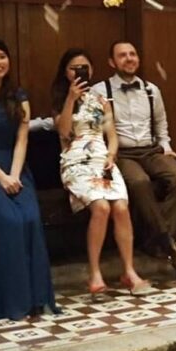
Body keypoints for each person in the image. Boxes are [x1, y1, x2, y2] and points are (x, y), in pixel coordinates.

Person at [51, 49, 150, 296]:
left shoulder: (101, 100)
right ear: (66, 72)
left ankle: (129, 271)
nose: (79, 71)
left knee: (121, 207)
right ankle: (94, 273)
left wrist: (111, 156)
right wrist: (71, 99)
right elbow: (64, 132)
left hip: (101, 157)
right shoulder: (60, 98)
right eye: (74, 67)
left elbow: (112, 135)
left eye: (84, 66)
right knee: (102, 207)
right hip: (76, 160)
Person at [91, 41, 176, 279]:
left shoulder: (151, 90)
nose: (129, 59)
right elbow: (94, 128)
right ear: (111, 62)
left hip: (151, 150)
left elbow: (161, 125)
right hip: (121, 153)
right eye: (122, 55)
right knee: (139, 183)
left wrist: (167, 148)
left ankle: (157, 240)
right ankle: (168, 244)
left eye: (133, 54)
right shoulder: (100, 91)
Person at [0, 37, 57, 321]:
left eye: (2, 56)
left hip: (16, 167)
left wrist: (14, 174)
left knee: (29, 218)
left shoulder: (18, 96)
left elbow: (22, 140)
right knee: (6, 220)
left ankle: (33, 298)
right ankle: (3, 300)